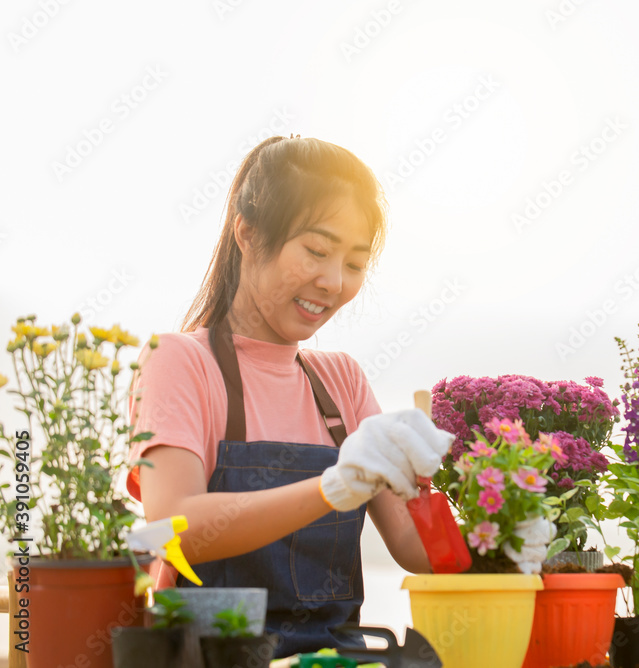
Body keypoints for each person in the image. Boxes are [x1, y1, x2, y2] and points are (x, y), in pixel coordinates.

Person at [125, 135, 457, 657]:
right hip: (216, 656)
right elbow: (173, 528)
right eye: (317, 251)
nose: (333, 282)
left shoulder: (341, 381)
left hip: (334, 658)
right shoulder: (179, 361)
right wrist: (332, 488)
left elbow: (420, 551)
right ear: (248, 233)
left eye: (354, 263)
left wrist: (504, 525)